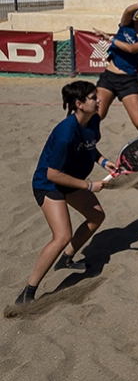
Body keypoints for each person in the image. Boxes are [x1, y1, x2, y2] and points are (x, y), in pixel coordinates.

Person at [14, 81, 117, 305]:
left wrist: (103, 161)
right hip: (49, 185)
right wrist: (89, 185)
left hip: (72, 180)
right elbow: (53, 174)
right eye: (93, 97)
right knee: (61, 236)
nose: (98, 100)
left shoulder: (93, 119)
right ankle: (27, 292)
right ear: (79, 104)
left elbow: (89, 146)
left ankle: (66, 260)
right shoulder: (65, 133)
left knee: (97, 216)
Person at [94, 0, 138, 136]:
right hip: (109, 78)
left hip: (128, 81)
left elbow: (131, 49)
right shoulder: (125, 26)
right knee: (96, 115)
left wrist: (110, 38)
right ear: (136, 19)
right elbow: (128, 11)